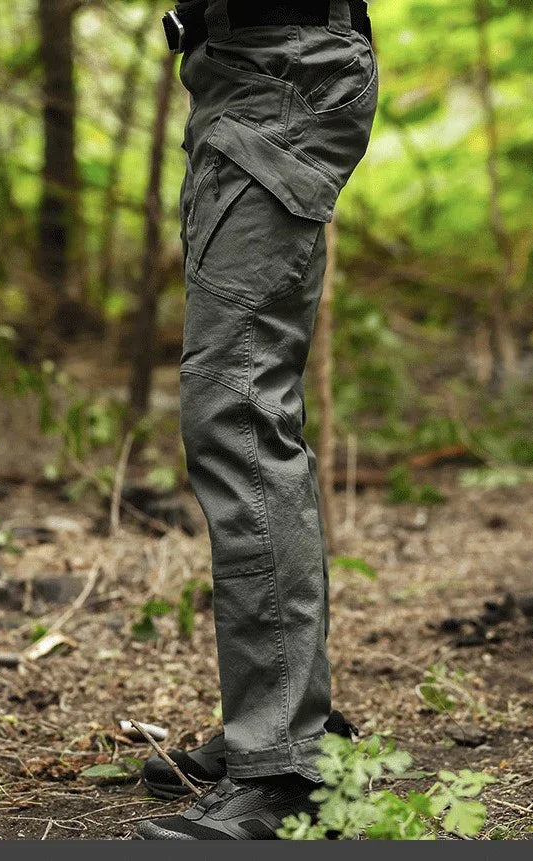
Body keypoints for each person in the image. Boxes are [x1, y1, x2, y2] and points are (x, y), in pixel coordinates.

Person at [134, 0, 377, 840]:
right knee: (243, 399)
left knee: (236, 406)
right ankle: (293, 722)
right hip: (242, 69)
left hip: (280, 64)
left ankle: (285, 765)